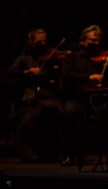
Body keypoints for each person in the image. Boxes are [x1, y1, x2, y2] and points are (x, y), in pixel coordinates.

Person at [59, 24, 108, 168]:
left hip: (97, 99)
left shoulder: (104, 58)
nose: (96, 44)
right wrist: (89, 78)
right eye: (92, 41)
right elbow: (67, 75)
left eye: (98, 41)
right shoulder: (71, 57)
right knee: (70, 113)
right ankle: (70, 153)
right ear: (83, 41)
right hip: (77, 98)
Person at [7, 28, 64, 162]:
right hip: (28, 98)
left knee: (60, 111)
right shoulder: (23, 58)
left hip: (48, 96)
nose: (43, 44)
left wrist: (46, 72)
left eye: (45, 41)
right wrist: (26, 72)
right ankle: (26, 153)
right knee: (31, 116)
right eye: (39, 42)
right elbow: (10, 72)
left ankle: (55, 152)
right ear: (31, 42)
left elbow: (57, 76)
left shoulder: (52, 58)